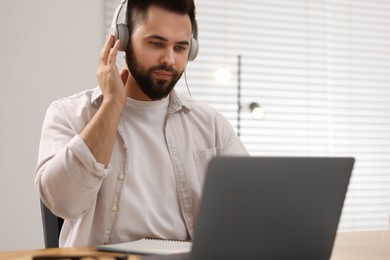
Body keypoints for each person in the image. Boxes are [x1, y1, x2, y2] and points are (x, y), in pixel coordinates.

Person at [35, 0, 248, 247]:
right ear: (122, 41)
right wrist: (112, 103)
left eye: (180, 48)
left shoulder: (210, 124)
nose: (169, 59)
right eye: (156, 43)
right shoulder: (70, 113)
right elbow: (63, 202)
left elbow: (252, 208)